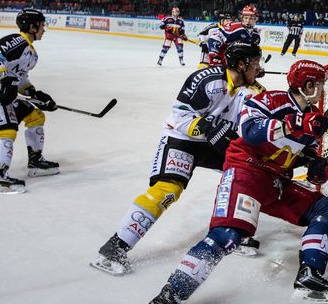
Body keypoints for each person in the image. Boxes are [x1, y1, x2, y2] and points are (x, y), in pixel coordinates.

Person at [139, 60, 328, 304]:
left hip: (275, 182)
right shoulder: (271, 100)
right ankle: (167, 299)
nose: (321, 90)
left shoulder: (312, 120)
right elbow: (251, 132)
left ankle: (310, 277)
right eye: (319, 85)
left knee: (324, 208)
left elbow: (292, 157)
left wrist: (315, 165)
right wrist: (296, 123)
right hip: (245, 174)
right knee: (227, 235)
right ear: (308, 85)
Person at [90, 41, 266, 275]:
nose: (259, 68)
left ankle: (233, 232)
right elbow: (180, 116)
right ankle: (114, 247)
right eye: (255, 63)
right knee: (168, 190)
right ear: (241, 64)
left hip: (215, 141)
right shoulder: (208, 80)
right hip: (182, 138)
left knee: (246, 176)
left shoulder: (254, 91)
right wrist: (207, 127)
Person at [0, 9, 59, 194]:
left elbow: (20, 79)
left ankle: (36, 162)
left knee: (35, 116)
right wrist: (5, 79)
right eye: (42, 26)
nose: (44, 29)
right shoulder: (17, 41)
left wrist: (35, 94)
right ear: (33, 26)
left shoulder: (32, 54)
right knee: (6, 129)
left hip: (4, 90)